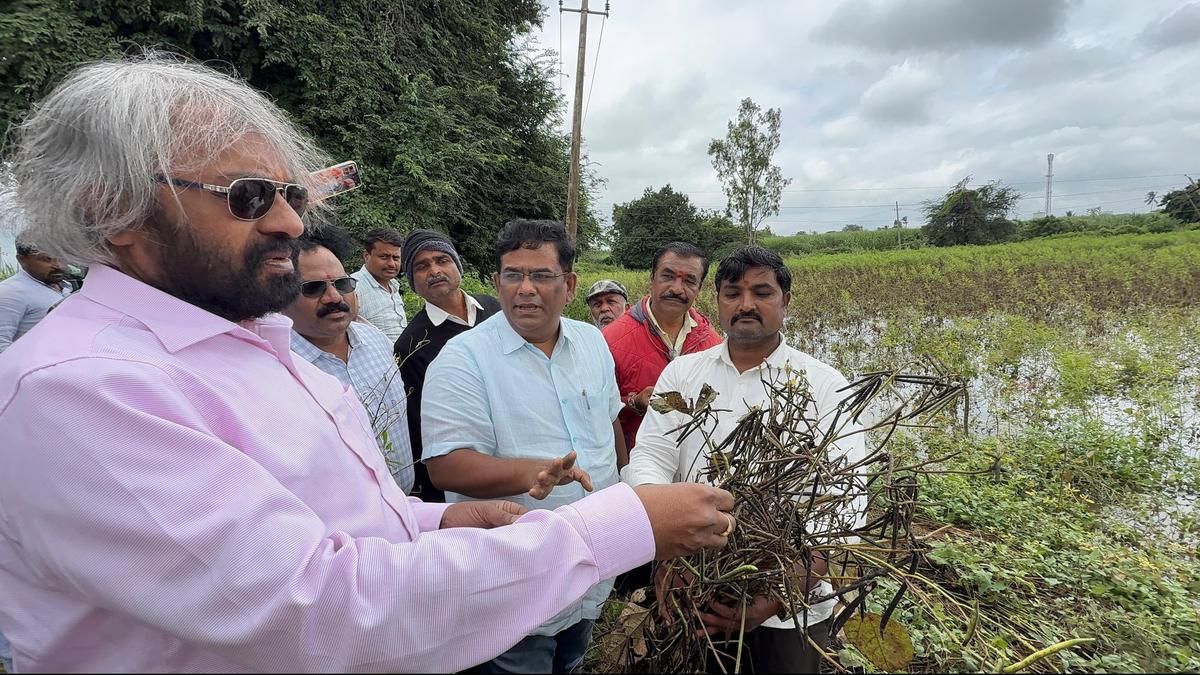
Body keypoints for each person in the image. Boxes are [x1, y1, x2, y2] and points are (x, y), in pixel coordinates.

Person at [0, 53, 738, 673]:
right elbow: (318, 604)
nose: (291, 221)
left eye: (290, 194)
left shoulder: (246, 346)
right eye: (248, 197)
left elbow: (322, 528)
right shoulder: (81, 390)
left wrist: (429, 525)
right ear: (116, 213)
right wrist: (616, 527)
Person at [623, 245, 867, 673]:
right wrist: (667, 550)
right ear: (717, 301)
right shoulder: (682, 375)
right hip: (693, 583)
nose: (746, 304)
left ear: (785, 301)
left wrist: (781, 589)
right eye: (733, 293)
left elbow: (846, 498)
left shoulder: (825, 385)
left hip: (792, 605)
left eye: (762, 292)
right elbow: (650, 458)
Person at [421, 219, 629, 674]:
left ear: (569, 285)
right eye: (513, 276)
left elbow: (610, 422)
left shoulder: (592, 342)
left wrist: (624, 483)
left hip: (590, 566)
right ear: (496, 283)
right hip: (514, 581)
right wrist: (533, 473)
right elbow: (447, 467)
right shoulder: (463, 359)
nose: (525, 289)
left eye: (542, 276)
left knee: (572, 661)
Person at [283, 225, 415, 494]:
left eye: (342, 284)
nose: (333, 297)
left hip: (410, 504)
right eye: (313, 288)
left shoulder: (375, 340)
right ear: (281, 295)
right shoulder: (280, 367)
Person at [394, 228, 501, 502]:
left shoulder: (495, 309)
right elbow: (421, 425)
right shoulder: (412, 344)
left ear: (457, 266)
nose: (434, 270)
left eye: (442, 260)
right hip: (470, 464)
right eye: (421, 266)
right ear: (412, 282)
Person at [603, 241, 722, 448]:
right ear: (652, 280)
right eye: (667, 276)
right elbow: (593, 412)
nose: (676, 288)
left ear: (699, 289)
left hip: (694, 468)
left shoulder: (713, 343)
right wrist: (634, 403)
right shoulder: (610, 339)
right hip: (635, 467)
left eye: (689, 281)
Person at [0, 238, 73, 352]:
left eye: (63, 258)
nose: (59, 265)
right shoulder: (10, 292)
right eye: (46, 259)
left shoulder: (64, 287)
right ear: (21, 259)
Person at [350, 227, 408, 341]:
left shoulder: (394, 286)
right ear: (367, 256)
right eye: (384, 257)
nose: (391, 264)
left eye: (396, 258)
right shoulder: (353, 287)